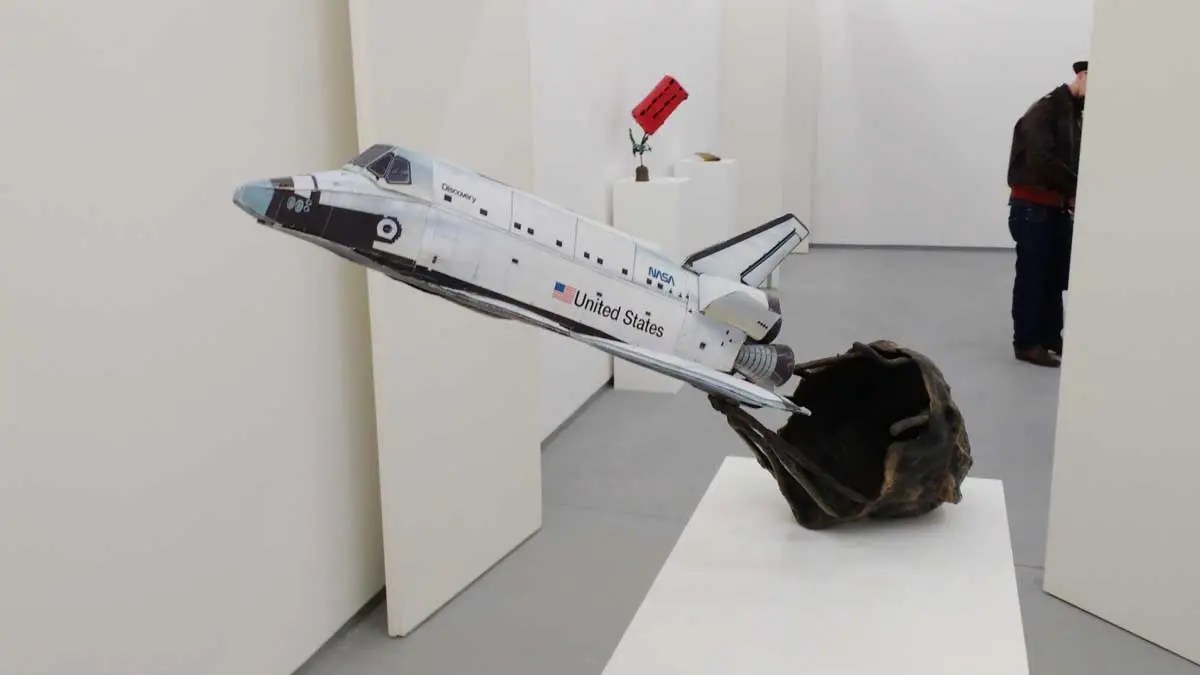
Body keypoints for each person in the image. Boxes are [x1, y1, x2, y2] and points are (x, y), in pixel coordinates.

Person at [1005, 60, 1087, 367]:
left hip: (1053, 208)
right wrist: (1078, 189)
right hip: (1032, 209)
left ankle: (1051, 337)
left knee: (1053, 277)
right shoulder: (1045, 110)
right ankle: (1027, 343)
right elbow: (1042, 161)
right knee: (1033, 277)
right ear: (1082, 76)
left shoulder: (1072, 113)